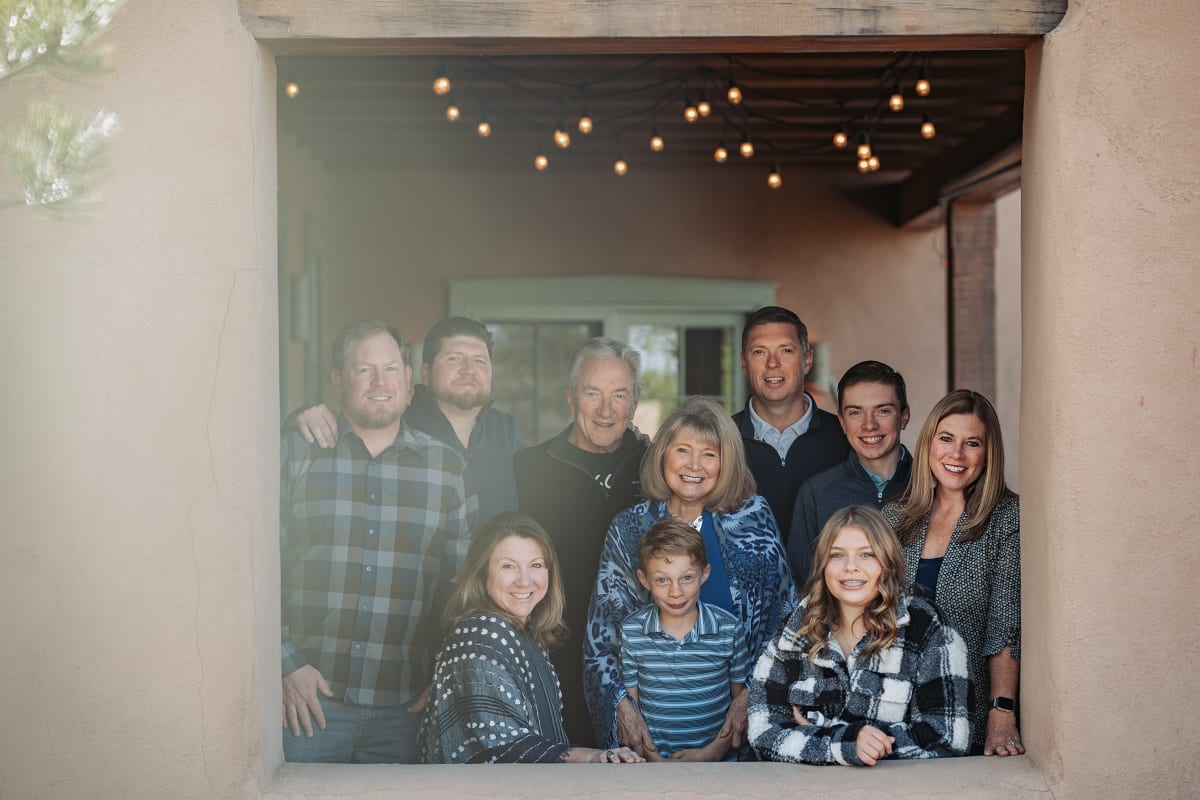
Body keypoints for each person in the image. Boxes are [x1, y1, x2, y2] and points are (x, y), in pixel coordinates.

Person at [280, 320, 474, 763]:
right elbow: (255, 570)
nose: (380, 383)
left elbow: (462, 587)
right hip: (308, 704)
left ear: (408, 378)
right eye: (364, 370)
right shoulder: (296, 454)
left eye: (390, 369)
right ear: (337, 379)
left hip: (405, 712)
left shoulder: (447, 469)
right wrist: (285, 663)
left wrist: (446, 668)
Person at [585, 396, 795, 757]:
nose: (694, 465)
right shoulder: (629, 527)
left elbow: (785, 622)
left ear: (726, 462)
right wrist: (624, 711)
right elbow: (601, 640)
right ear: (662, 454)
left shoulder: (753, 519)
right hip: (652, 746)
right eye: (682, 450)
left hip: (736, 743)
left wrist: (749, 699)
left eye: (709, 454)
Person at [749, 505, 972, 765]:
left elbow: (949, 737)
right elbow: (762, 733)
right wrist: (843, 744)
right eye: (837, 555)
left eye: (866, 554)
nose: (851, 567)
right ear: (823, 566)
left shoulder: (926, 626)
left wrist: (829, 735)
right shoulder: (797, 628)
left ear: (887, 563)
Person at [420, 512, 644, 765]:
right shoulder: (481, 633)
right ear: (482, 574)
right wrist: (592, 755)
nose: (524, 581)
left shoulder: (527, 634)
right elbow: (504, 745)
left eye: (536, 565)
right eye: (508, 566)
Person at [513, 337, 647, 744]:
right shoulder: (529, 470)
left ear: (634, 403)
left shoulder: (656, 467)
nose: (606, 410)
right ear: (570, 399)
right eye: (593, 393)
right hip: (556, 654)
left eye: (619, 395)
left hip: (642, 662)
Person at [882, 389, 1022, 757]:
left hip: (966, 715)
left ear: (988, 453)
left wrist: (1002, 711)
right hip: (892, 717)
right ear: (929, 443)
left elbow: (1005, 623)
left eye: (972, 443)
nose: (956, 454)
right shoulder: (894, 519)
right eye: (946, 438)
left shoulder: (1006, 517)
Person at [289, 316, 525, 527]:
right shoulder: (396, 423)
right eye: (454, 359)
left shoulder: (506, 430)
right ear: (425, 373)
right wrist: (300, 418)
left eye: (480, 361)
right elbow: (351, 419)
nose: (469, 370)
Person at [621, 518, 751, 762]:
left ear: (704, 573)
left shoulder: (728, 629)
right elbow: (633, 709)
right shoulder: (632, 631)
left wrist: (710, 753)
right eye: (662, 580)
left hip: (717, 763)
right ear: (644, 579)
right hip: (653, 766)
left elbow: (738, 708)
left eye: (687, 578)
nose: (676, 592)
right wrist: (655, 761)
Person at [733, 306, 849, 548]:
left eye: (786, 350)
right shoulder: (720, 440)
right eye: (759, 352)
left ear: (807, 360)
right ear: (744, 363)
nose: (772, 364)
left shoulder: (845, 437)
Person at [788, 360, 913, 584]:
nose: (869, 425)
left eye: (883, 411)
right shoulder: (816, 493)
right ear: (842, 422)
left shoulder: (932, 487)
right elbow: (803, 585)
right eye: (855, 413)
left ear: (904, 417)